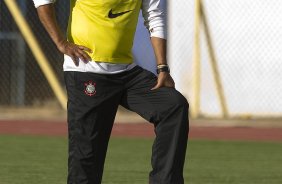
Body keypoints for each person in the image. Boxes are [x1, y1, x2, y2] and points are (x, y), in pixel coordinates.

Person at [33, 0, 189, 183]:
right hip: (86, 71)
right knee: (86, 156)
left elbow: (155, 17)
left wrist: (162, 68)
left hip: (127, 72)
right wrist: (61, 42)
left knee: (172, 106)